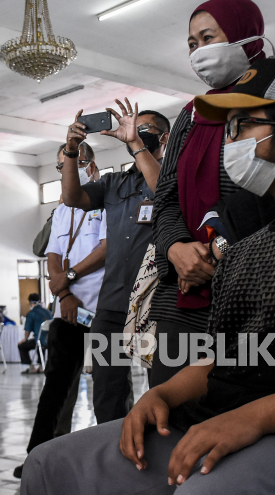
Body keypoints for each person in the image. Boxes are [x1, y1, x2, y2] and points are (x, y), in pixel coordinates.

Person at [22, 57, 275, 495]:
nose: (227, 143)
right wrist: (165, 395)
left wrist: (250, 418)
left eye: (241, 127)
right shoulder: (243, 251)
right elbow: (221, 356)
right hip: (216, 417)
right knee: (49, 466)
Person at [149, 0, 275, 388]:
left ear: (244, 35)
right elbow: (166, 195)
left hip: (254, 291)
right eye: (192, 44)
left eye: (209, 37)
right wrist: (176, 249)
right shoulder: (191, 113)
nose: (199, 51)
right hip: (181, 295)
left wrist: (214, 248)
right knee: (168, 417)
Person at [63, 99, 169, 423]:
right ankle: (113, 454)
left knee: (162, 386)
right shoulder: (113, 183)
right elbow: (72, 198)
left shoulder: (171, 175)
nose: (135, 131)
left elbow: (164, 192)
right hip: (110, 302)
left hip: (155, 300)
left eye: (145, 128)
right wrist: (71, 151)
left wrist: (135, 142)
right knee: (107, 389)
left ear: (164, 138)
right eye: (133, 127)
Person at [13, 142, 107, 479]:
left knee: (110, 389)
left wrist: (67, 278)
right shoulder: (63, 209)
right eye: (63, 165)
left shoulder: (107, 199)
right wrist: (64, 292)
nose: (71, 167)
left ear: (92, 165)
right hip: (66, 313)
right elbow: (52, 252)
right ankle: (37, 458)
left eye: (78, 161)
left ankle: (112, 461)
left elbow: (106, 250)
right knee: (55, 390)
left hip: (103, 312)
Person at [18, 293, 53, 374]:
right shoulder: (48, 312)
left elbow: (27, 329)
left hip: (40, 341)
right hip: (50, 340)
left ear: (30, 302)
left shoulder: (31, 313)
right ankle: (41, 366)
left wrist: (25, 339)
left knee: (22, 346)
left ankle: (31, 367)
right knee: (39, 341)